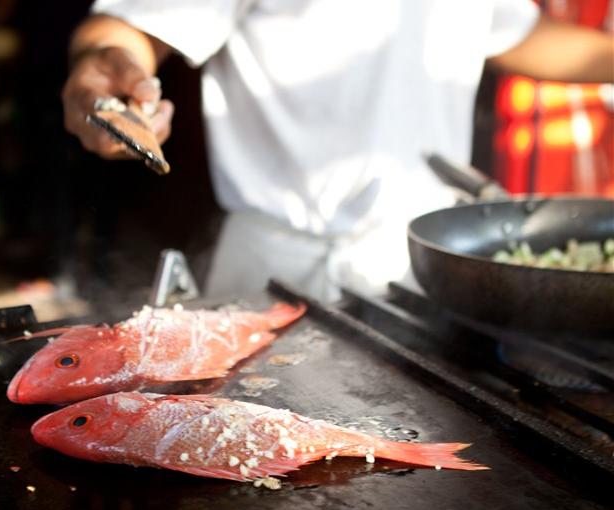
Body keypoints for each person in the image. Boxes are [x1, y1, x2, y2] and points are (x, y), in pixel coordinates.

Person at [62, 1, 614, 302]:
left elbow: (521, 32)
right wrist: (105, 69)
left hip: (422, 265)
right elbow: (128, 25)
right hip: (278, 268)